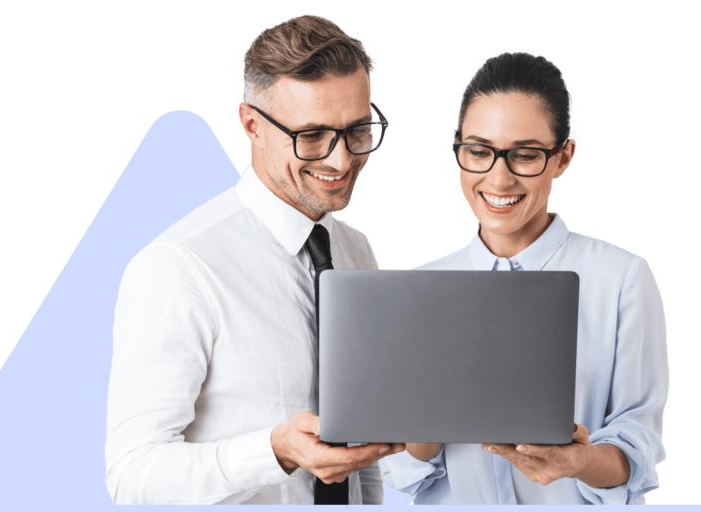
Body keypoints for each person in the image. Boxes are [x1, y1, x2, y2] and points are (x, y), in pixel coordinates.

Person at [104, 14, 404, 505]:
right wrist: (275, 451)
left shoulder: (355, 250)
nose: (341, 160)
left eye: (358, 130)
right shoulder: (178, 267)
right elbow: (133, 475)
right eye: (311, 136)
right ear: (251, 125)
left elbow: (359, 450)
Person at [378, 52, 669, 505]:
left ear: (563, 156)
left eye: (525, 155)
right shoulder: (421, 286)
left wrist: (580, 462)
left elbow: (639, 446)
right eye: (479, 151)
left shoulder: (621, 278)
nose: (498, 178)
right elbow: (403, 472)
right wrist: (428, 421)